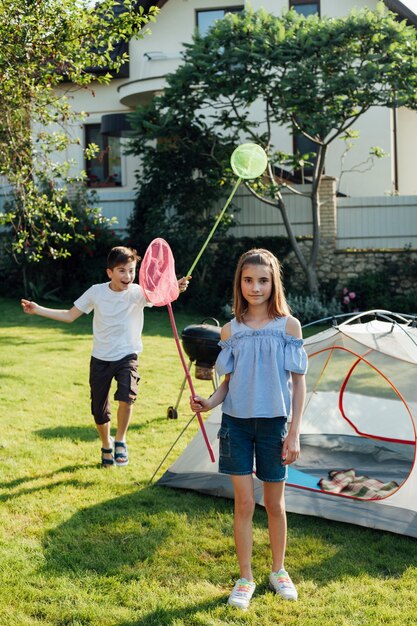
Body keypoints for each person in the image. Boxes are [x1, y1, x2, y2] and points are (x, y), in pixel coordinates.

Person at [190, 248, 307, 610]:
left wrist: (294, 432)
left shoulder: (288, 326)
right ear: (239, 283)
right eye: (248, 280)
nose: (255, 288)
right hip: (236, 426)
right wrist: (209, 402)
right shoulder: (231, 330)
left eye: (263, 281)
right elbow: (228, 381)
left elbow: (299, 383)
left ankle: (278, 571)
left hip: (275, 426)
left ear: (274, 284)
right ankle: (245, 578)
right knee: (243, 503)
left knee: (274, 504)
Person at [21, 245, 189, 468]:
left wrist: (177, 287)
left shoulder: (138, 293)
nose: (127, 276)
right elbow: (70, 315)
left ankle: (120, 440)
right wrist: (38, 309)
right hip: (100, 358)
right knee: (99, 409)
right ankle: (106, 445)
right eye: (121, 270)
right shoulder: (96, 292)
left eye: (131, 270)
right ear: (109, 272)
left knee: (127, 398)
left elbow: (162, 296)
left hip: (127, 355)